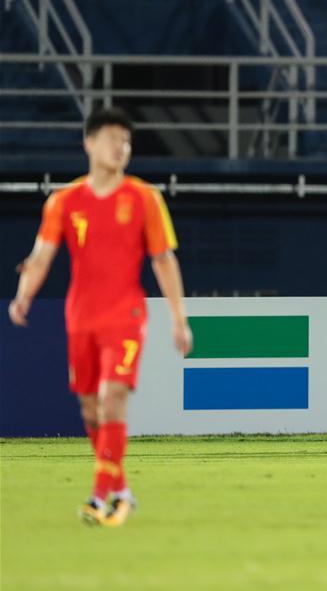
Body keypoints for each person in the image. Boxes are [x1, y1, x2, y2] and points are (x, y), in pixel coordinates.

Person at [8, 107, 192, 526]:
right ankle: (122, 489)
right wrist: (23, 297)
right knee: (91, 411)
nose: (121, 147)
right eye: (112, 138)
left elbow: (164, 260)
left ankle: (98, 497)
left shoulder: (145, 198)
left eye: (126, 141)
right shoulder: (63, 202)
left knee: (113, 399)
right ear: (89, 143)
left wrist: (179, 319)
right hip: (80, 317)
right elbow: (40, 257)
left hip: (125, 314)